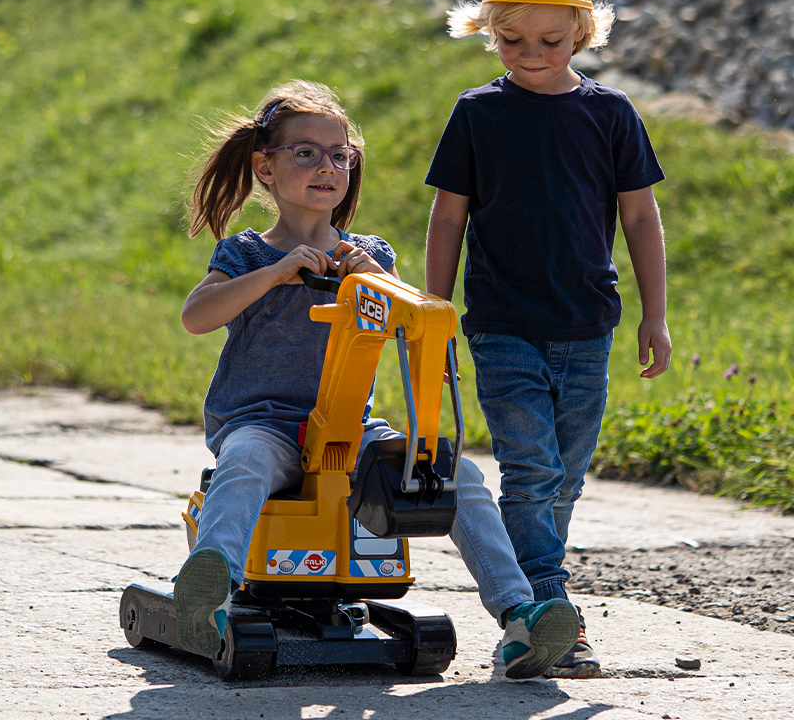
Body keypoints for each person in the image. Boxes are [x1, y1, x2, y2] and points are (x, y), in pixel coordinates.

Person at [173, 79, 581, 679]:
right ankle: (211, 586)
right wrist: (279, 273)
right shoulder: (247, 255)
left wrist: (381, 283)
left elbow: (415, 322)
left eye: (339, 155)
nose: (326, 167)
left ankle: (520, 615)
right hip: (263, 423)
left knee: (458, 476)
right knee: (245, 464)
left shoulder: (371, 255)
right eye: (306, 153)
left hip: (351, 429)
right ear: (265, 167)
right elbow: (197, 315)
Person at [424, 0, 672, 679]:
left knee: (564, 476)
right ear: (486, 30)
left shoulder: (611, 113)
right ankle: (548, 604)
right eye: (511, 40)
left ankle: (532, 622)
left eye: (550, 40)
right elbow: (448, 217)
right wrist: (434, 312)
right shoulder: (478, 113)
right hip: (502, 325)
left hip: (587, 326)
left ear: (583, 31)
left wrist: (654, 315)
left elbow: (640, 217)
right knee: (529, 470)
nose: (530, 54)